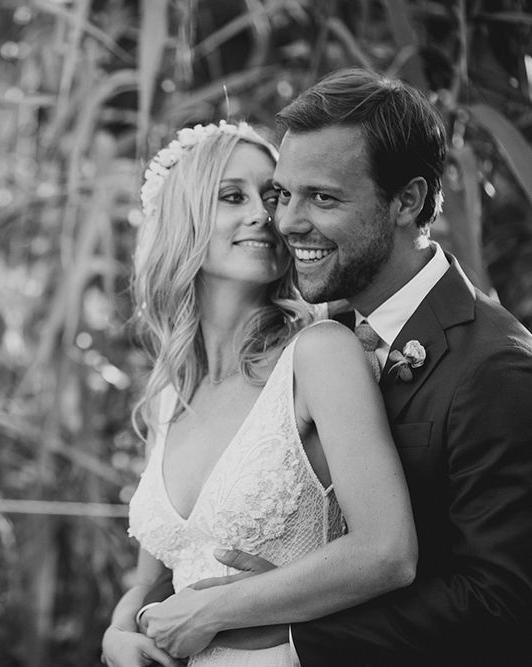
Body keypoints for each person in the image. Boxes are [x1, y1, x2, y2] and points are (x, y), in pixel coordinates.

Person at [137, 69, 532, 666]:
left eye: (322, 197)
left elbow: (504, 603)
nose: (287, 222)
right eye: (284, 194)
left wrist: (276, 630)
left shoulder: (495, 365)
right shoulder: (323, 335)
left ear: (408, 201)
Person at [100, 119, 418, 667]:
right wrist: (115, 634)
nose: (264, 214)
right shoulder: (169, 397)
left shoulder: (320, 356)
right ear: (183, 220)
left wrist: (216, 612)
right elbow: (153, 582)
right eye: (231, 196)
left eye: (272, 196)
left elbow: (388, 552)